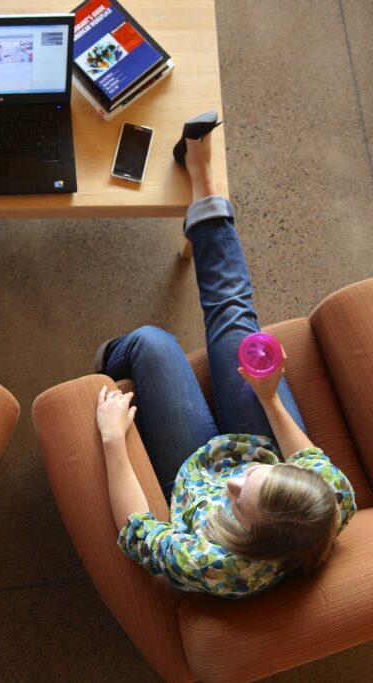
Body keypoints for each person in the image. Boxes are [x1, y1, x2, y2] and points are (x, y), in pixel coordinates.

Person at [93, 112, 356, 598]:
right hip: (257, 439)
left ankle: (111, 357)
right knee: (236, 321)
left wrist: (113, 441)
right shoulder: (330, 498)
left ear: (250, 540)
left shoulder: (217, 566)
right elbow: (306, 458)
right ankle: (202, 178)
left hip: (189, 472)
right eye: (253, 482)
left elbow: (139, 530)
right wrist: (270, 397)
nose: (235, 484)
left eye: (239, 505)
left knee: (152, 342)